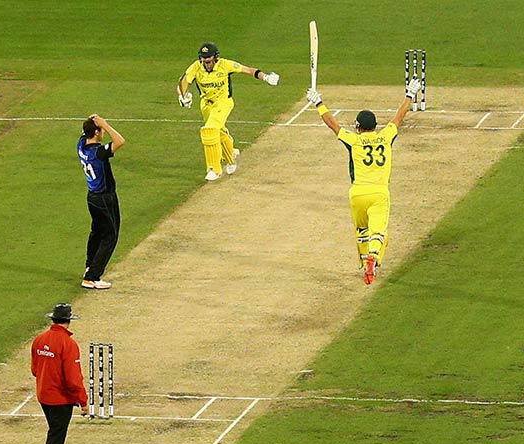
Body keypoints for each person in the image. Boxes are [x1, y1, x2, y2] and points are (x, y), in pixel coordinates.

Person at [306, 78, 422, 285]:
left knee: (362, 230)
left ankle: (363, 261)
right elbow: (399, 117)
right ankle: (373, 259)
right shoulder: (386, 137)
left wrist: (318, 103)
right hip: (379, 193)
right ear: (375, 126)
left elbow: (333, 124)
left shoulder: (354, 140)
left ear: (359, 127)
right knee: (378, 232)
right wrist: (410, 95)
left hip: (357, 193)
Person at [177, 42, 280, 181]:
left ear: (216, 57)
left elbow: (248, 70)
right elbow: (183, 82)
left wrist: (266, 77)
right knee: (218, 132)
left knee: (209, 130)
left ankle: (214, 168)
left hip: (223, 102)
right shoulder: (196, 67)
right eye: (203, 59)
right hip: (206, 105)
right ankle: (231, 157)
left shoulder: (225, 65)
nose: (206, 62)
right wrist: (182, 96)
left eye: (208, 59)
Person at [31, 303, 89, 444]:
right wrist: (83, 401)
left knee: (54, 434)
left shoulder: (39, 339)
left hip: (43, 396)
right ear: (68, 321)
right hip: (60, 399)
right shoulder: (68, 344)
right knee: (56, 439)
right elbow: (73, 378)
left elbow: (34, 370)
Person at [77, 114, 126, 289]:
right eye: (101, 130)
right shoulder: (98, 152)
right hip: (105, 197)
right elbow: (120, 141)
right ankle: (92, 277)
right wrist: (105, 123)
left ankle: (90, 266)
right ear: (97, 132)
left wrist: (94, 124)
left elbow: (85, 134)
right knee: (110, 236)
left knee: (97, 232)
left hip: (93, 197)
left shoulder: (81, 146)